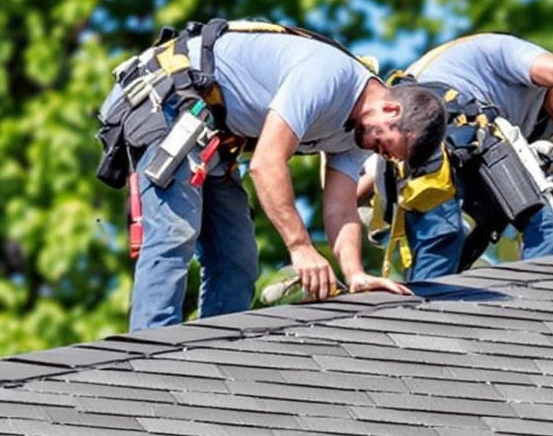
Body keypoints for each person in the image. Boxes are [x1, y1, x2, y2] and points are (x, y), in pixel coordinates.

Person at [100, 22, 447, 331]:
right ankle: (150, 350)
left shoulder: (358, 133)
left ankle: (211, 355)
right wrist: (301, 247)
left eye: (388, 155)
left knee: (236, 260)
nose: (381, 154)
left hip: (212, 133)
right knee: (174, 234)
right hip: (169, 98)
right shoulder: (327, 77)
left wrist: (354, 274)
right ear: (391, 109)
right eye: (387, 146)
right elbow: (266, 163)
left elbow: (341, 208)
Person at [388, 36, 553, 280]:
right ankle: (430, 301)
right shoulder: (521, 56)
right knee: (444, 233)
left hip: (472, 148)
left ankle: (528, 296)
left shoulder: (549, 128)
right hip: (437, 122)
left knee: (544, 228)